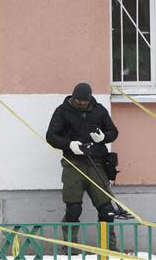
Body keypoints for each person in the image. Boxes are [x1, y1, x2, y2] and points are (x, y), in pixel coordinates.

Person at [46, 82, 119, 252]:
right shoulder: (62, 111)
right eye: (79, 102)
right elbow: (51, 136)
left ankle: (109, 248)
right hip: (74, 164)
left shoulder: (99, 110)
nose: (82, 105)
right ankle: (71, 248)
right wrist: (69, 144)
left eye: (85, 102)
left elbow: (113, 132)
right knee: (73, 208)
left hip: (97, 163)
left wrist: (103, 138)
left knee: (106, 209)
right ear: (74, 98)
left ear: (90, 100)